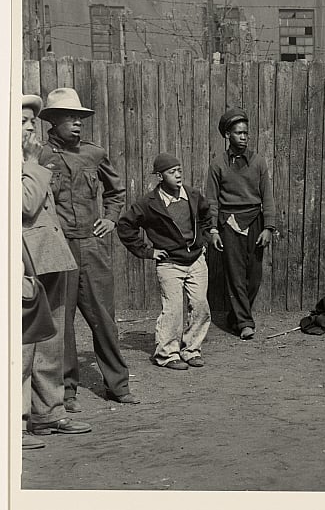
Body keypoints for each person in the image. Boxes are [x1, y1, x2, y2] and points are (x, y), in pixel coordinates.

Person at [37, 88, 139, 407]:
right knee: (61, 321)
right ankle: (66, 390)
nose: (78, 123)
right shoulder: (40, 157)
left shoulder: (94, 154)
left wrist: (110, 218)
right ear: (52, 122)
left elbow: (115, 192)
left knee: (103, 317)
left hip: (93, 248)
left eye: (80, 118)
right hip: (58, 248)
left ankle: (118, 386)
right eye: (70, 117)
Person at [21, 94, 91, 447]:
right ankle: (14, 424)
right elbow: (23, 204)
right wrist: (34, 163)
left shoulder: (27, 157)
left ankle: (49, 412)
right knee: (21, 346)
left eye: (31, 121)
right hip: (21, 261)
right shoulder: (23, 159)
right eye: (21, 121)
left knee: (50, 339)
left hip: (48, 253)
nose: (30, 127)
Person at [117, 153, 212, 370]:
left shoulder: (193, 195)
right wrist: (148, 252)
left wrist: (203, 239)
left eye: (179, 170)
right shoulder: (149, 203)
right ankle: (167, 354)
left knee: (200, 305)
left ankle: (191, 350)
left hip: (196, 260)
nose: (178, 175)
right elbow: (125, 226)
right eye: (172, 172)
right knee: (173, 309)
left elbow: (207, 216)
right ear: (160, 176)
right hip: (170, 263)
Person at [207, 107, 276, 340]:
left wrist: (268, 227)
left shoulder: (258, 162)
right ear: (228, 135)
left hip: (255, 221)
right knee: (235, 275)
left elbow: (267, 196)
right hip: (229, 223)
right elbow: (211, 200)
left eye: (246, 133)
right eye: (238, 133)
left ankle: (235, 317)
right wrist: (213, 229)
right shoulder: (217, 164)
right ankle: (246, 323)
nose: (244, 137)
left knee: (253, 276)